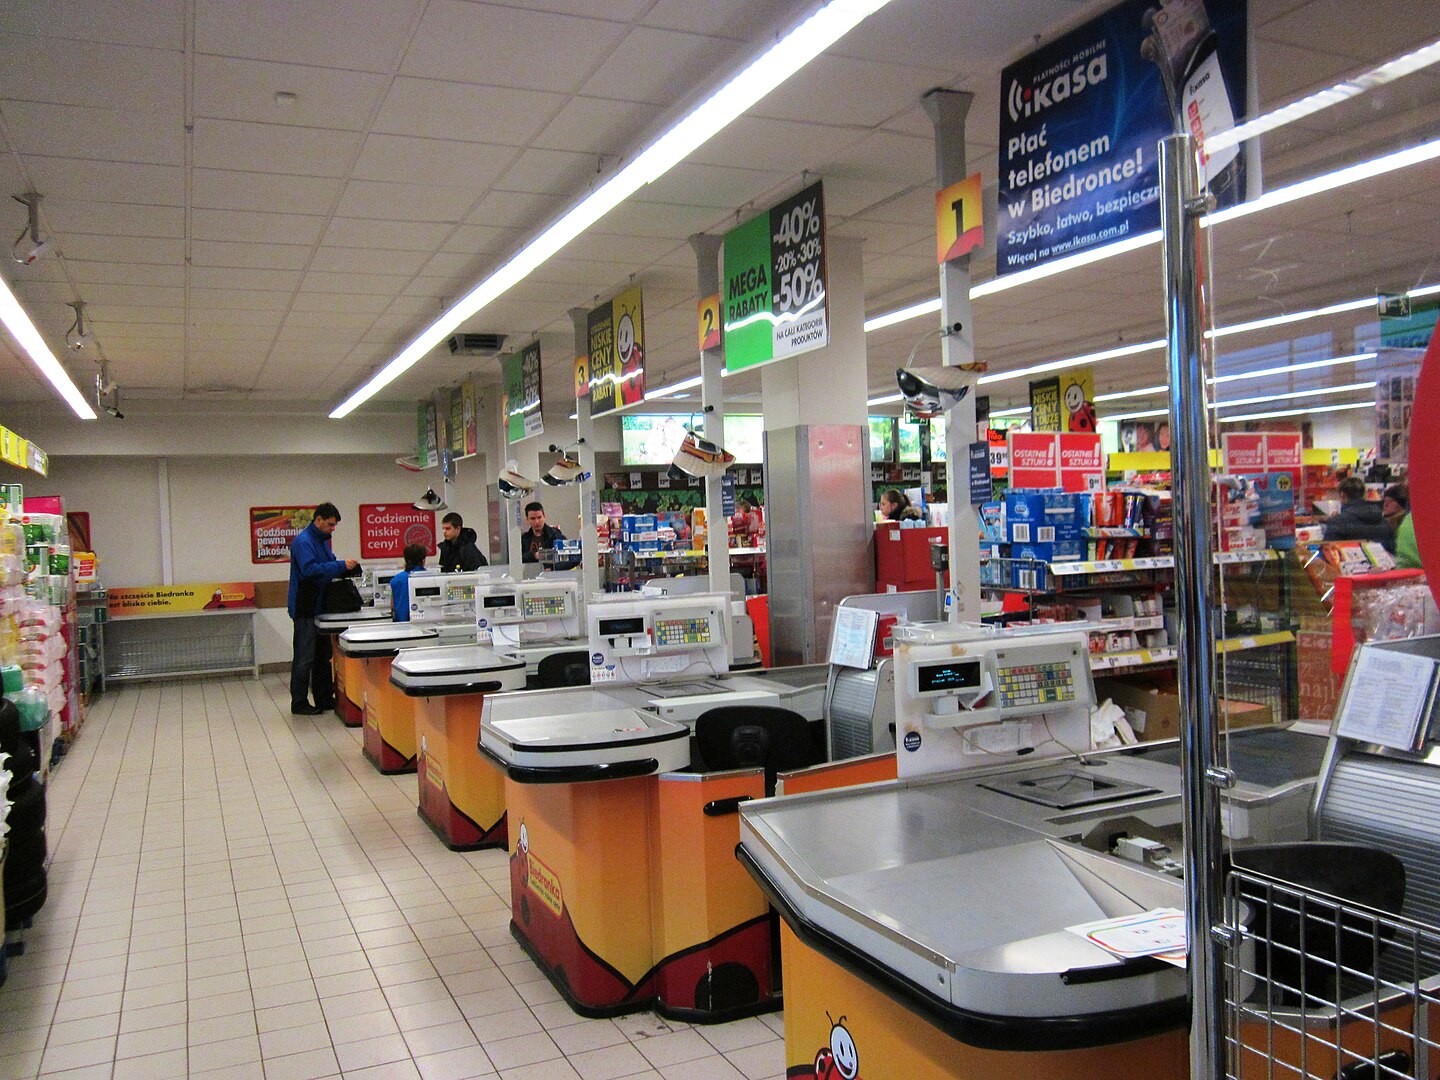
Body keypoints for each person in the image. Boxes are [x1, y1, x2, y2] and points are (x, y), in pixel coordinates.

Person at [288, 502, 358, 716]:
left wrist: (343, 567)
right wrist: (340, 566)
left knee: (322, 656)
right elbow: (309, 570)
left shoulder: (322, 541)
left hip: (320, 607)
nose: (332, 528)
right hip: (305, 607)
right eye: (330, 524)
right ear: (318, 520)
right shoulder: (303, 542)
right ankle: (299, 702)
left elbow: (329, 563)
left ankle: (324, 698)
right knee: (304, 657)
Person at [1324, 475, 1395, 550]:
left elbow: (1327, 549)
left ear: (1342, 494)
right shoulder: (1384, 520)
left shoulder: (1338, 522)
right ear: (1364, 494)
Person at [1384, 484, 1421, 569]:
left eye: (1390, 501)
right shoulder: (1408, 521)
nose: (1385, 505)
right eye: (1385, 501)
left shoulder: (1404, 522)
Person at [388, 544, 427, 622]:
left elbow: (392, 605)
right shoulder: (430, 578)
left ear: (405, 559)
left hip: (401, 623)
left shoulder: (396, 580)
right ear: (423, 560)